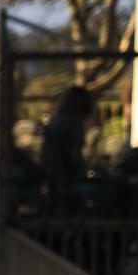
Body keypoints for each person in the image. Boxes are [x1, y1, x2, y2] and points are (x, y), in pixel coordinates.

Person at [40, 85, 95, 216]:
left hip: (53, 179)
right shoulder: (74, 122)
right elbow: (74, 156)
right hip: (66, 181)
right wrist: (84, 170)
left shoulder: (57, 120)